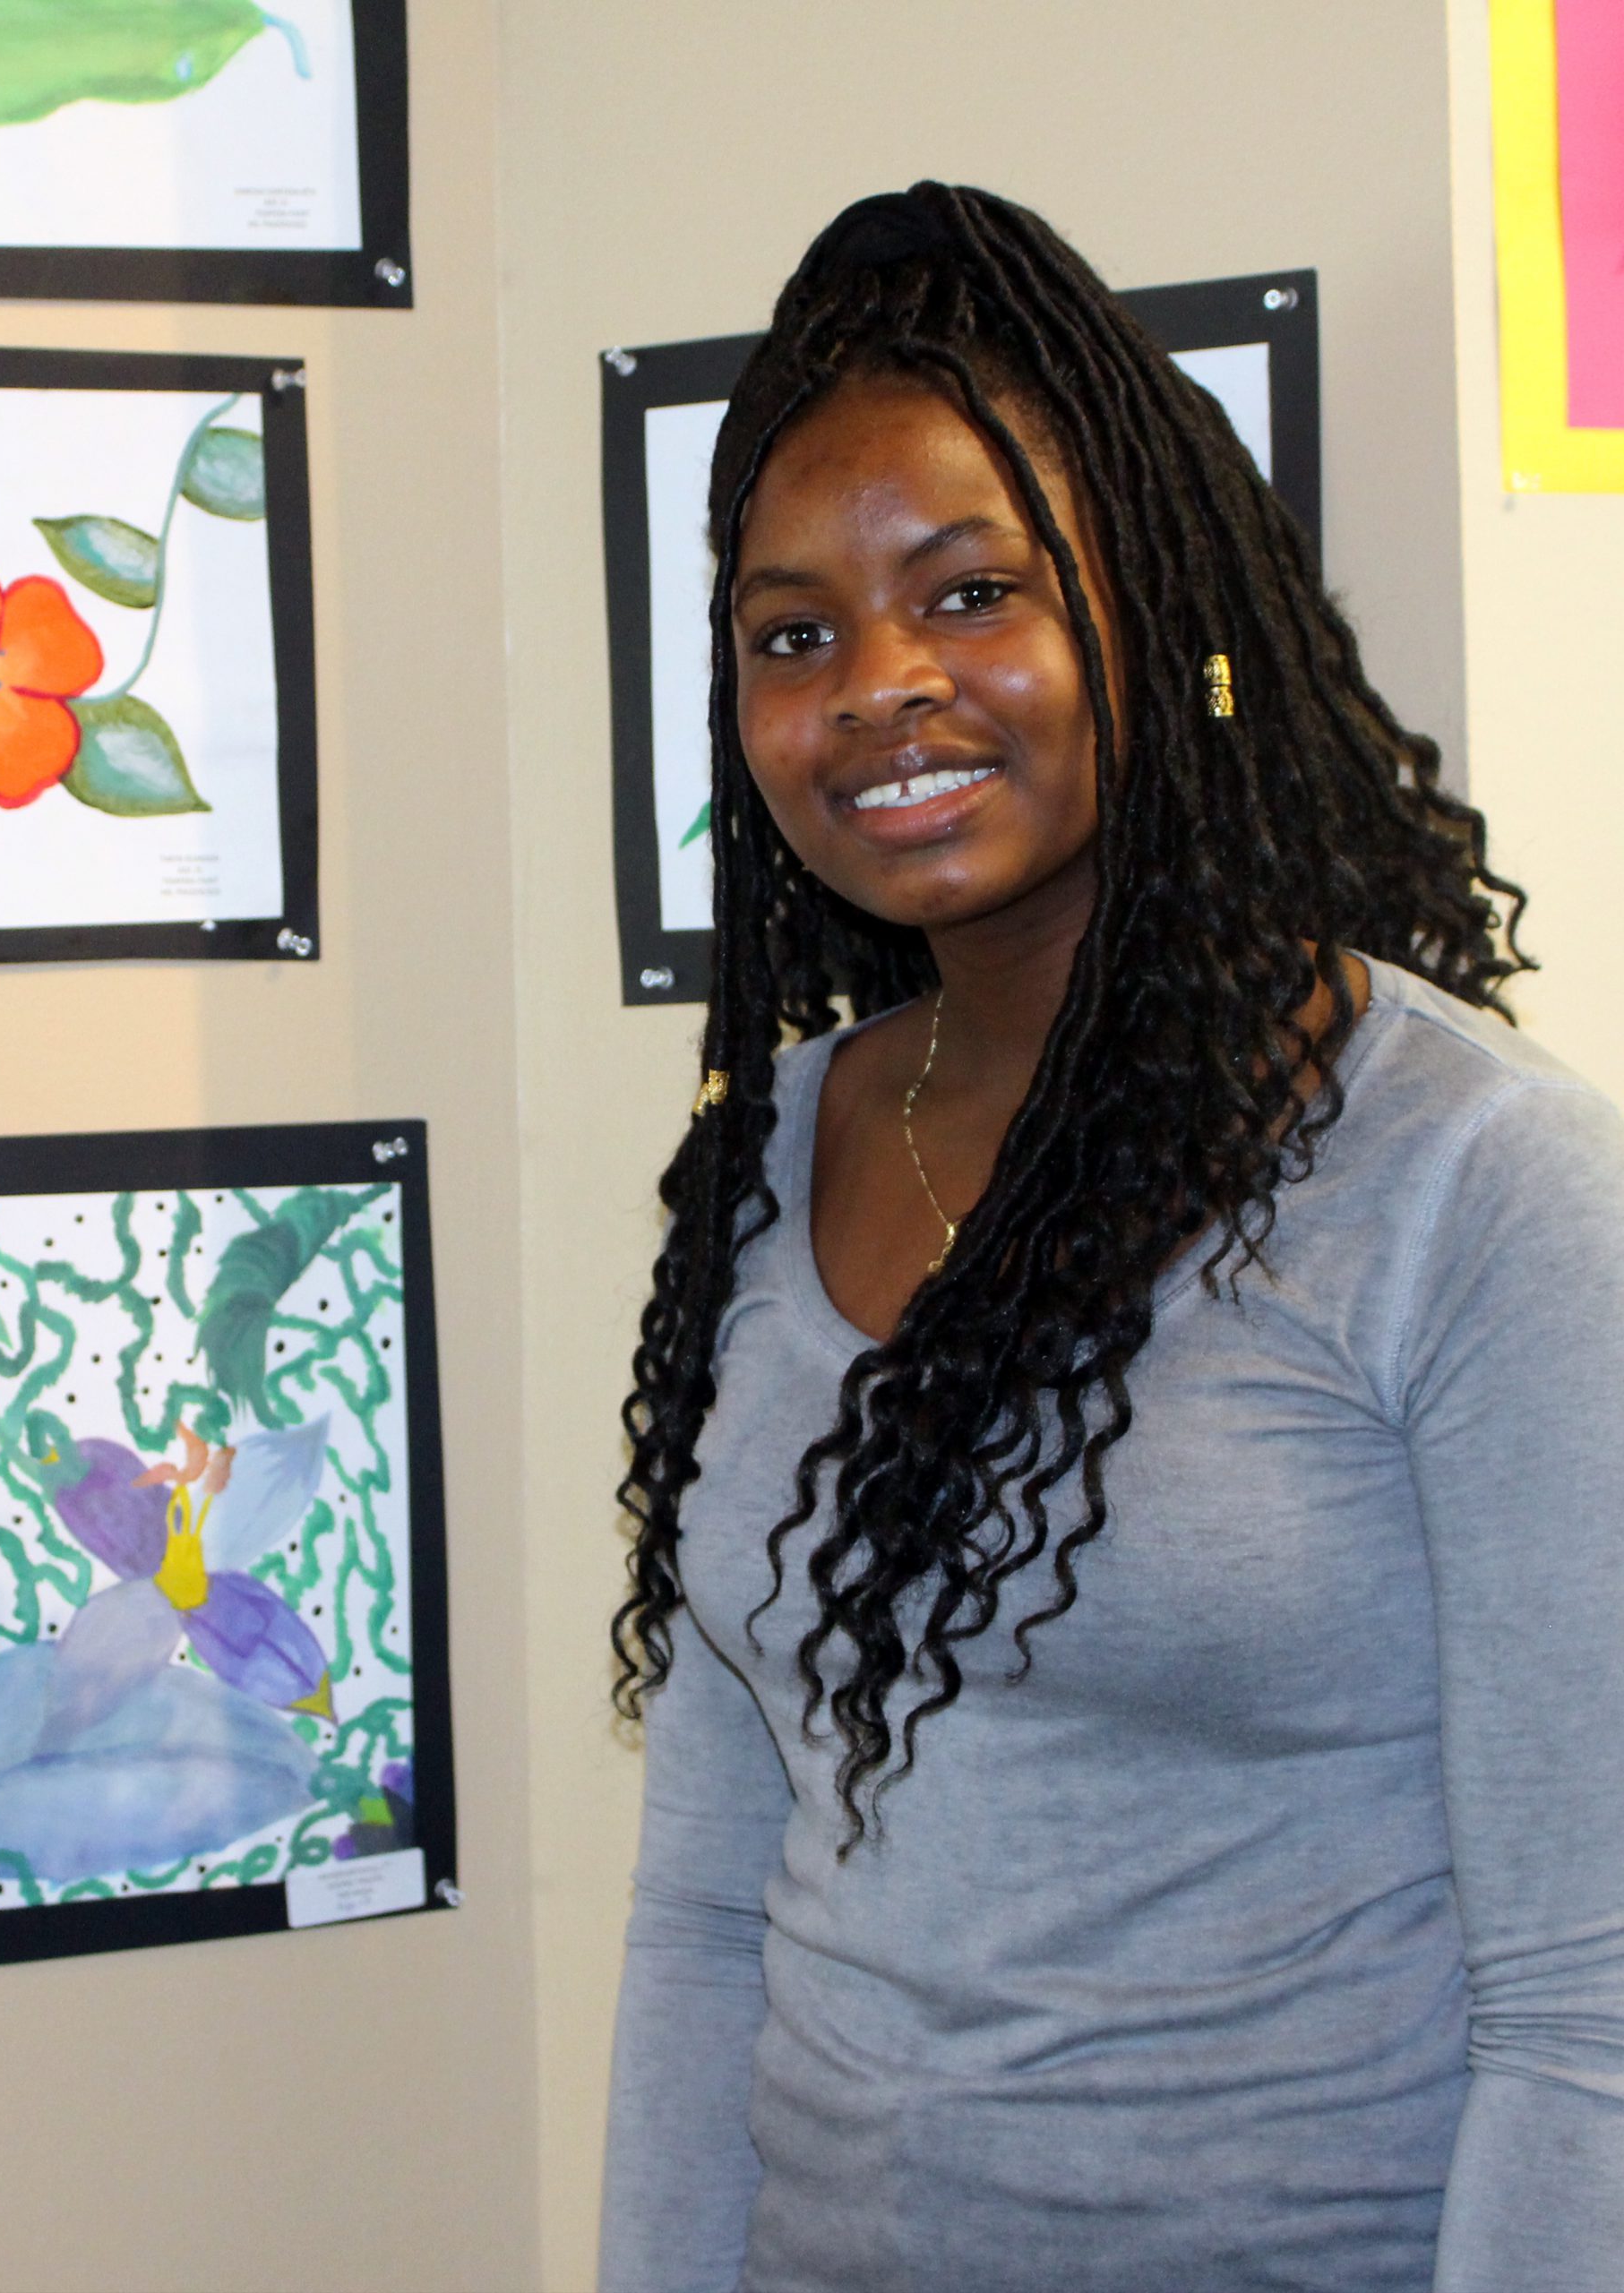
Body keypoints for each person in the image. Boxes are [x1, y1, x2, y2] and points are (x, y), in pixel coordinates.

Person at [598, 183, 1624, 2293]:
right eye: (794, 634)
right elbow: (705, 1912)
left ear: (1163, 611)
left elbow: (1587, 2014)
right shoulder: (773, 1147)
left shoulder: (1473, 1181)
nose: (878, 687)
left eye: (970, 592)